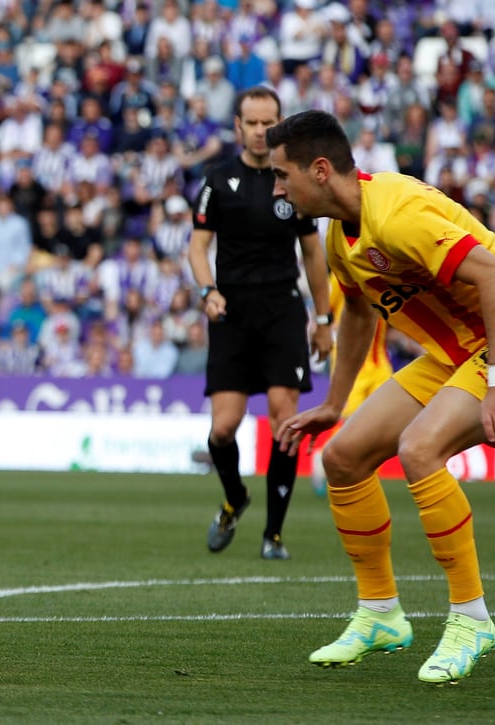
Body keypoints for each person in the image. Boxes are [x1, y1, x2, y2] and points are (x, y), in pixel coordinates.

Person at [268, 110, 495, 684]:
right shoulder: (340, 234)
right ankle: (380, 614)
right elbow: (357, 311)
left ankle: (471, 618)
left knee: (419, 448)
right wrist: (334, 404)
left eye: (283, 175)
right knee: (343, 457)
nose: (278, 188)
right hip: (460, 353)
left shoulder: (398, 212)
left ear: (321, 169)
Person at [188, 86, 333, 560]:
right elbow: (197, 246)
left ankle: (273, 535)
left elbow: (313, 251)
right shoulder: (217, 178)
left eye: (267, 122)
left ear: (280, 123)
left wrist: (324, 318)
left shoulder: (293, 179)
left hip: (282, 312)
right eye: (250, 122)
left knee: (283, 419)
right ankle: (235, 497)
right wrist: (208, 291)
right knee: (222, 430)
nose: (258, 131)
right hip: (231, 313)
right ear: (237, 126)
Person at [308, 275, 393, 495]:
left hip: (379, 360)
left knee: (387, 418)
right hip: (352, 359)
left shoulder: (385, 271)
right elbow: (326, 311)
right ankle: (323, 458)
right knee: (346, 418)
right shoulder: (342, 274)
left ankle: (363, 471)